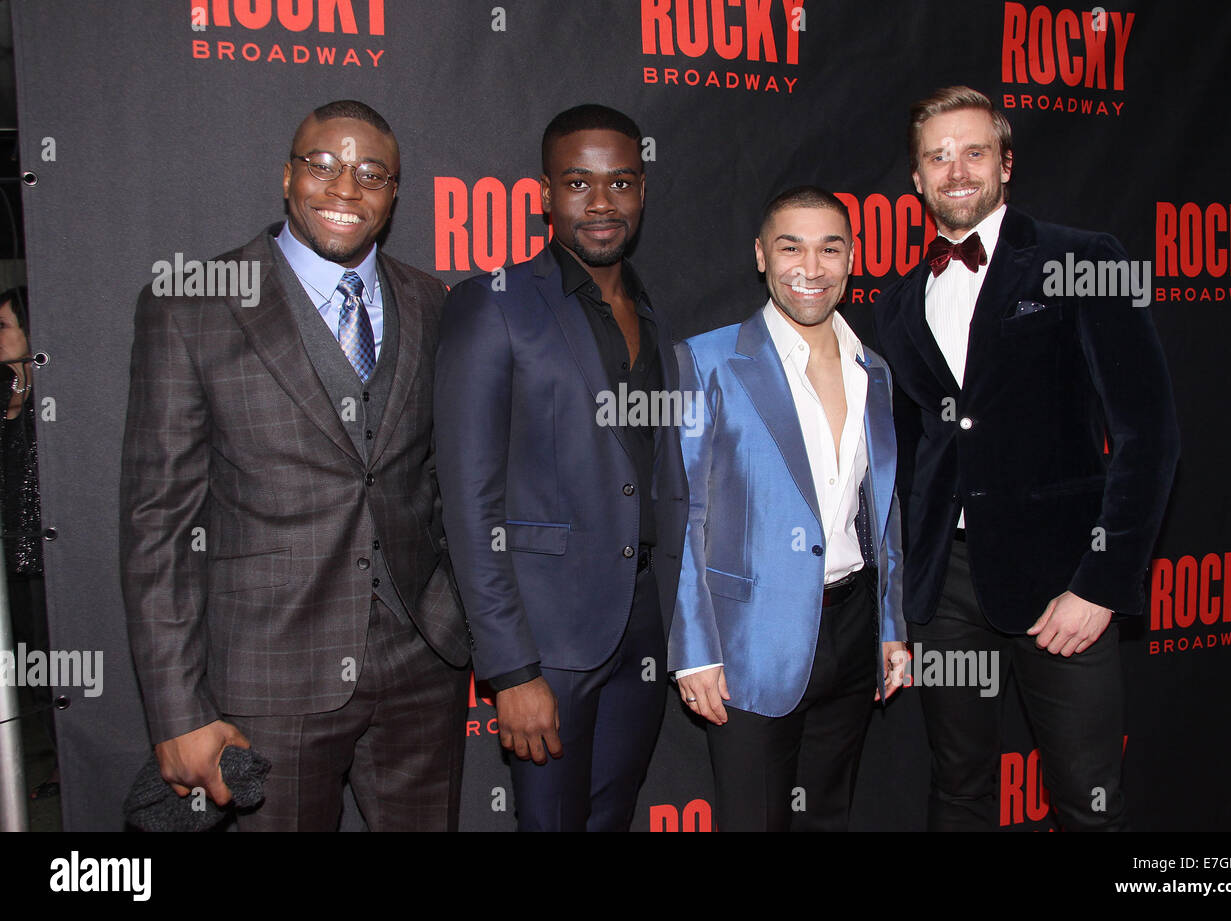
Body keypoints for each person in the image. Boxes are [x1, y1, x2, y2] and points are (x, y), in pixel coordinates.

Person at [120, 100, 470, 831]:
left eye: (372, 173)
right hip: (270, 675)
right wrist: (177, 709)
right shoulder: (190, 304)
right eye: (324, 165)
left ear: (395, 193)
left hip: (422, 662)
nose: (347, 188)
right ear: (287, 176)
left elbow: (441, 478)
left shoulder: (434, 302)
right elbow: (159, 524)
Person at [872, 86, 1179, 830]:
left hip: (1062, 582)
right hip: (946, 591)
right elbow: (909, 462)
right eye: (936, 157)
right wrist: (905, 599)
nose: (955, 171)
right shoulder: (900, 300)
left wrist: (1101, 586)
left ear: (1005, 163)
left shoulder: (1082, 258)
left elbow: (1149, 433)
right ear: (916, 179)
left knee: (1087, 798)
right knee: (959, 789)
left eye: (973, 152)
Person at [435, 104, 688, 831]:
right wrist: (511, 667)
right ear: (544, 193)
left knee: (610, 818)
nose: (602, 203)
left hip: (645, 620)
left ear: (642, 190)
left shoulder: (654, 315)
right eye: (579, 182)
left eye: (622, 182)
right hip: (546, 637)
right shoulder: (495, 304)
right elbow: (467, 501)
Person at [670, 187, 907, 831]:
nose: (812, 266)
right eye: (791, 246)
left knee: (829, 814)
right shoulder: (709, 360)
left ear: (852, 258)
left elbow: (881, 511)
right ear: (760, 256)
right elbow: (687, 511)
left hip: (853, 629)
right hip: (748, 639)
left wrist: (891, 624)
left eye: (830, 248)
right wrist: (694, 648)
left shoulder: (874, 370)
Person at [0, 285, 55, 800]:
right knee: (21, 662)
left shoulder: (58, 400)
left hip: (51, 556)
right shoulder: (6, 399)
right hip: (9, 555)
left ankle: (69, 764)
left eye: (3, 327)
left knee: (53, 659)